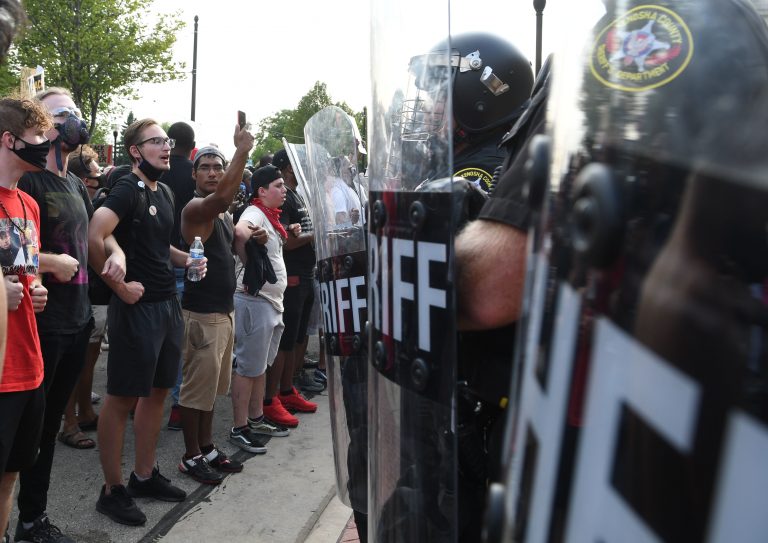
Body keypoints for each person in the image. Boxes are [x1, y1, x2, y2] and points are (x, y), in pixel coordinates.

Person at [13, 88, 124, 543]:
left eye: (76, 111)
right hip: (39, 324)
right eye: (64, 113)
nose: (76, 119)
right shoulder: (28, 181)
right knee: (25, 431)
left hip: (76, 321)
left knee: (49, 424)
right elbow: (12, 252)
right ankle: (21, 519)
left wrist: (114, 253)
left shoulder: (76, 184)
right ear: (44, 124)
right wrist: (50, 263)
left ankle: (32, 520)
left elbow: (98, 234)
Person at [88, 118, 200, 526]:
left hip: (167, 305)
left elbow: (160, 246)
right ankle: (112, 490)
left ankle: (143, 476)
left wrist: (186, 260)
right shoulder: (126, 188)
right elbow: (93, 235)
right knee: (121, 399)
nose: (165, 147)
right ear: (135, 151)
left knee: (156, 394)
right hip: (135, 310)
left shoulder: (166, 190)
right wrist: (119, 289)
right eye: (155, 142)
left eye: (167, 141)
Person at [176, 131, 256, 485]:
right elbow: (223, 196)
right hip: (202, 316)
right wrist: (242, 150)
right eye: (205, 168)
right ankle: (190, 456)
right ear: (194, 175)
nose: (211, 173)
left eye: (217, 167)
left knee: (211, 391)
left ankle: (206, 447)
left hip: (223, 313)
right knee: (195, 394)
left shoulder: (223, 214)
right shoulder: (197, 208)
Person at [0, 97, 50, 543]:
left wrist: (36, 292)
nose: (45, 146)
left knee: (11, 477)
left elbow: (25, 275)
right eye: (37, 138)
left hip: (28, 365)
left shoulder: (29, 206)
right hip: (0, 373)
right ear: (9, 139)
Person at [230, 165, 297, 452]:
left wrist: (287, 232)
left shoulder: (269, 216)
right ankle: (239, 427)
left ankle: (256, 418)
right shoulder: (254, 213)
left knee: (258, 367)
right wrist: (249, 264)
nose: (284, 190)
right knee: (247, 367)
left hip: (268, 303)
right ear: (261, 191)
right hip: (255, 302)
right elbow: (239, 231)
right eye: (279, 185)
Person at [270, 149, 322, 402]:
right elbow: (288, 242)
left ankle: (290, 387)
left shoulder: (296, 195)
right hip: (292, 275)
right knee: (287, 337)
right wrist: (317, 233)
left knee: (299, 335)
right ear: (289, 168)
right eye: (299, 164)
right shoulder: (285, 198)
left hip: (305, 272)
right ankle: (279, 393)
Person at [160, 121, 196, 430]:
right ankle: (177, 405)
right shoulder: (192, 175)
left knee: (156, 333)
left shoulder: (159, 172)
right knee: (180, 338)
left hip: (155, 259)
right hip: (186, 258)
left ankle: (140, 397)